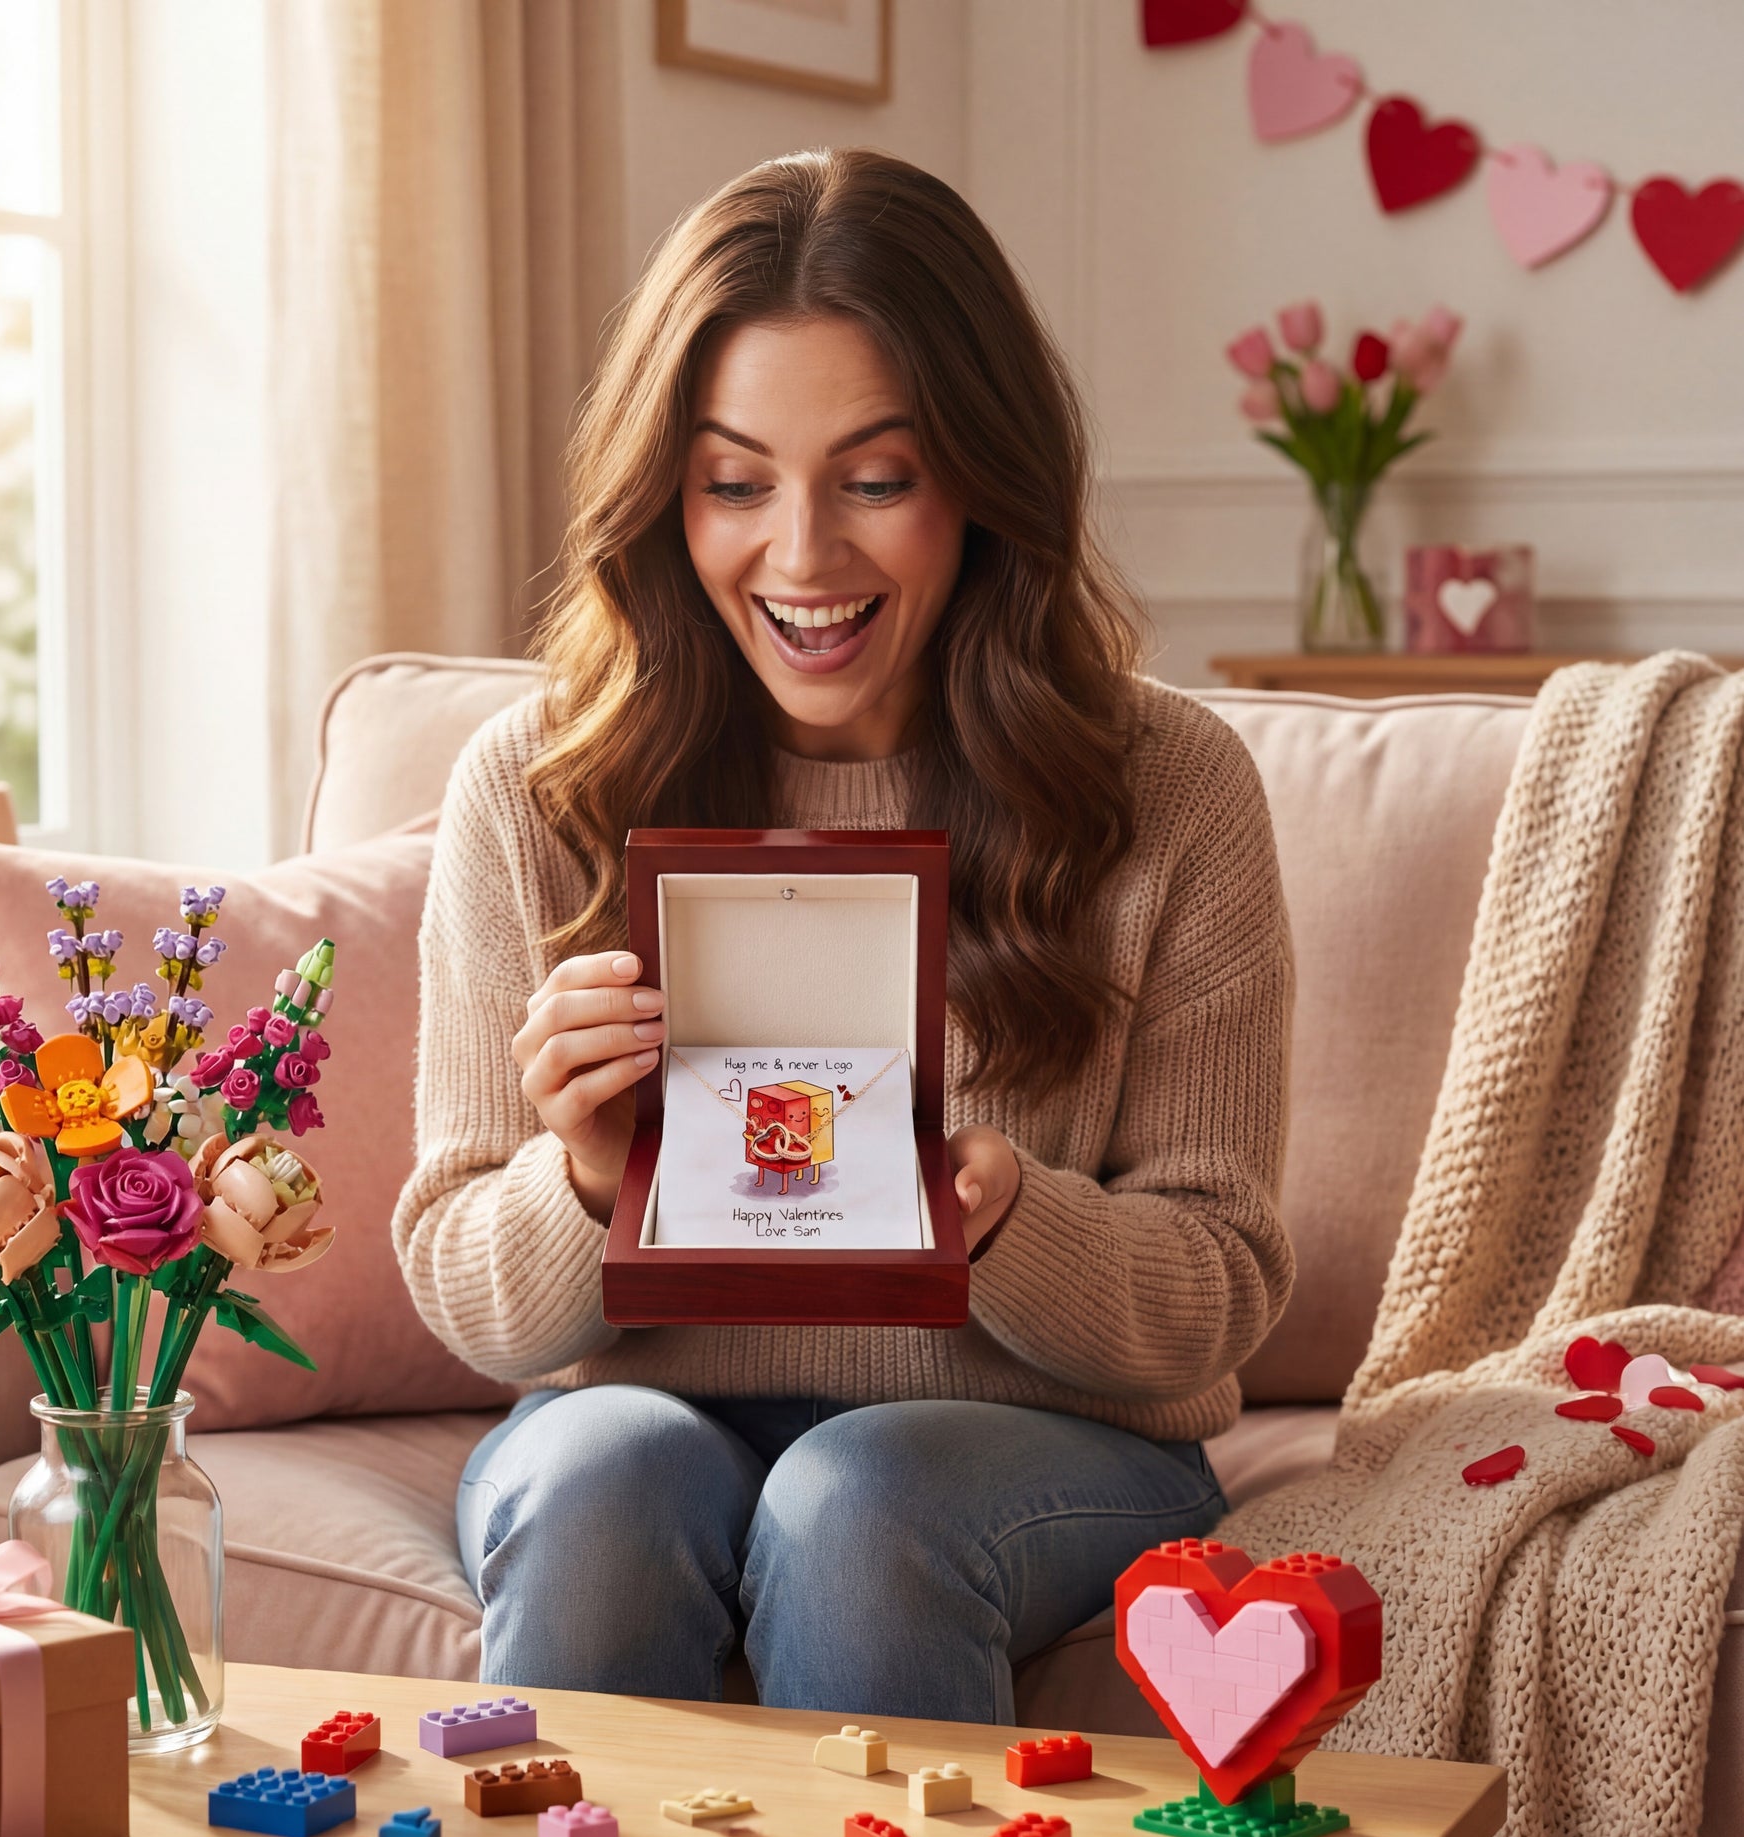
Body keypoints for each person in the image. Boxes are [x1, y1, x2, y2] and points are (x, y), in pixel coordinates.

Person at [392, 148, 1294, 1724]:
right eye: (735, 482)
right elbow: (470, 1297)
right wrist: (587, 1179)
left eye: (874, 479)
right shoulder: (537, 788)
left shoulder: (1167, 789)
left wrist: (1003, 1219)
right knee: (597, 1480)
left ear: (982, 481)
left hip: (1040, 1440)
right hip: (637, 1417)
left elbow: (1220, 1284)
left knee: (856, 1504)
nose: (802, 555)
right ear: (665, 496)